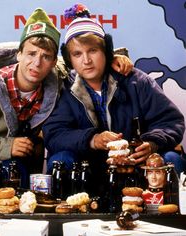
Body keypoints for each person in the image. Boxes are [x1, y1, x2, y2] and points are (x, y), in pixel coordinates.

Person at [0, 8, 132, 187]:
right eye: (31, 54)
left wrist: (114, 58)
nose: (37, 63)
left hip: (26, 169)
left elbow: (83, 58)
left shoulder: (58, 78)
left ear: (54, 62)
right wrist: (6, 146)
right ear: (18, 54)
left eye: (46, 56)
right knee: (9, 169)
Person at [42, 4, 185, 196]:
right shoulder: (65, 89)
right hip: (88, 171)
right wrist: (92, 139)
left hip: (134, 167)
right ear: (69, 60)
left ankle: (166, 219)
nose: (86, 60)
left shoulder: (136, 81)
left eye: (92, 50)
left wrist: (151, 143)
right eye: (77, 54)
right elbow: (55, 134)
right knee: (60, 159)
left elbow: (171, 121)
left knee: (170, 158)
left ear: (106, 52)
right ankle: (70, 213)